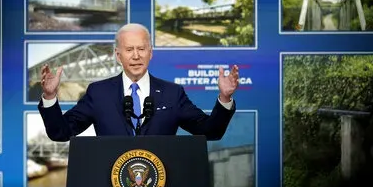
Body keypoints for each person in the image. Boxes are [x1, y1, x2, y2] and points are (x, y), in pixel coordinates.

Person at [38, 23, 239, 141]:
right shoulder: (98, 93)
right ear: (118, 55)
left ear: (150, 53)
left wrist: (224, 97)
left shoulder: (172, 93)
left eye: (141, 49)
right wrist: (49, 97)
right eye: (129, 50)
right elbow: (61, 132)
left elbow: (210, 132)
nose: (136, 56)